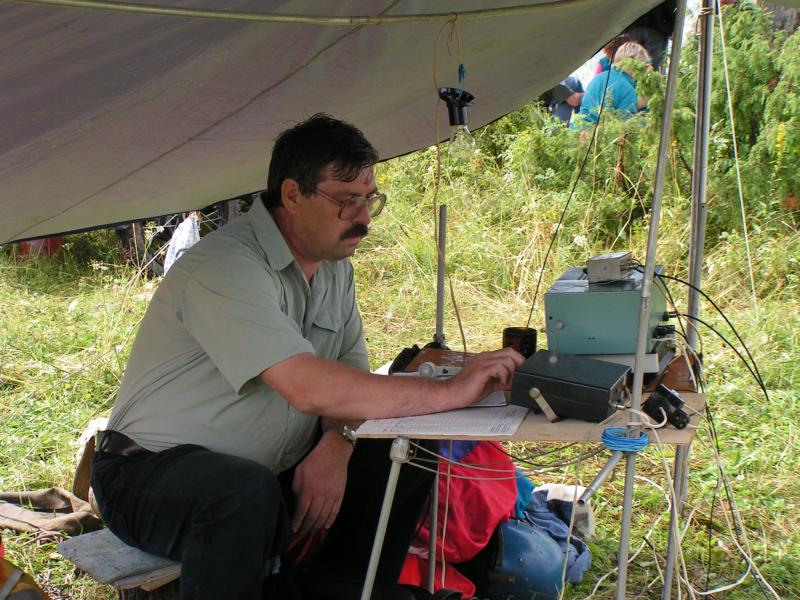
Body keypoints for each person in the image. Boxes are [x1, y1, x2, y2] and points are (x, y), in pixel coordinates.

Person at [91, 114, 524, 600]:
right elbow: (306, 386)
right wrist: (450, 391)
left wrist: (338, 442)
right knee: (241, 492)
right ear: (293, 195)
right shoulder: (225, 266)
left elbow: (350, 381)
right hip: (147, 477)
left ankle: (346, 591)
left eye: (369, 200)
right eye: (346, 201)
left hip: (268, 474)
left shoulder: (334, 269)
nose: (363, 218)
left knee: (403, 449)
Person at [573, 41, 651, 130]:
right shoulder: (627, 89)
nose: (642, 72)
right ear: (632, 64)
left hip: (578, 129)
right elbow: (625, 128)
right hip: (598, 135)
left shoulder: (599, 77)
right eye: (641, 67)